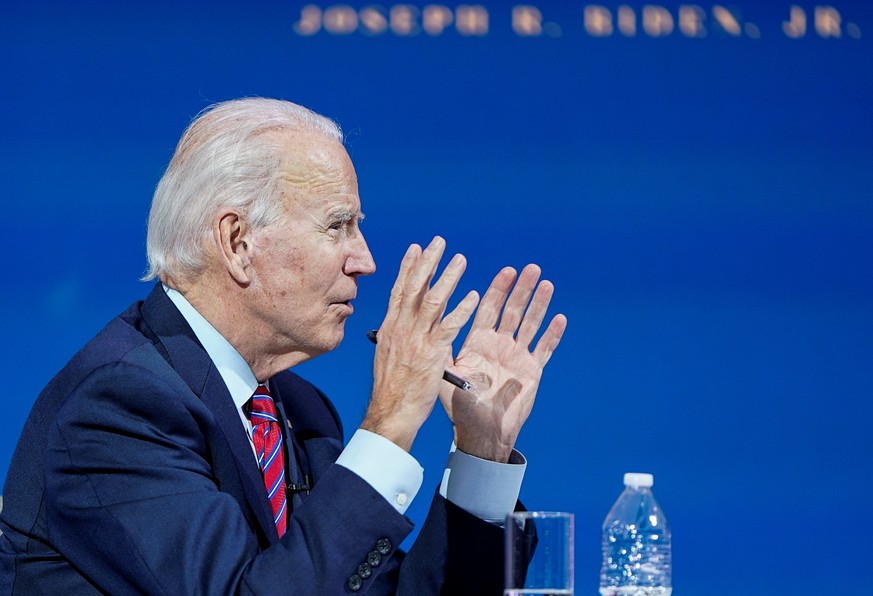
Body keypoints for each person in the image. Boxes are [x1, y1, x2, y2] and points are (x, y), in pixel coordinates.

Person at [0, 98, 566, 594]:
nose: (364, 260)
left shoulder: (298, 411)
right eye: (338, 226)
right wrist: (391, 421)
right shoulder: (116, 408)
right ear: (237, 242)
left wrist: (481, 454)